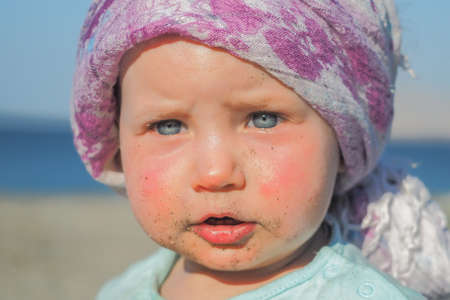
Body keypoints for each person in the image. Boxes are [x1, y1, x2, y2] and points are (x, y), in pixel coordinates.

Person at [71, 0, 450, 299]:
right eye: (168, 126)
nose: (215, 173)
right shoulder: (119, 291)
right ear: (118, 143)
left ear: (343, 140)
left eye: (264, 119)